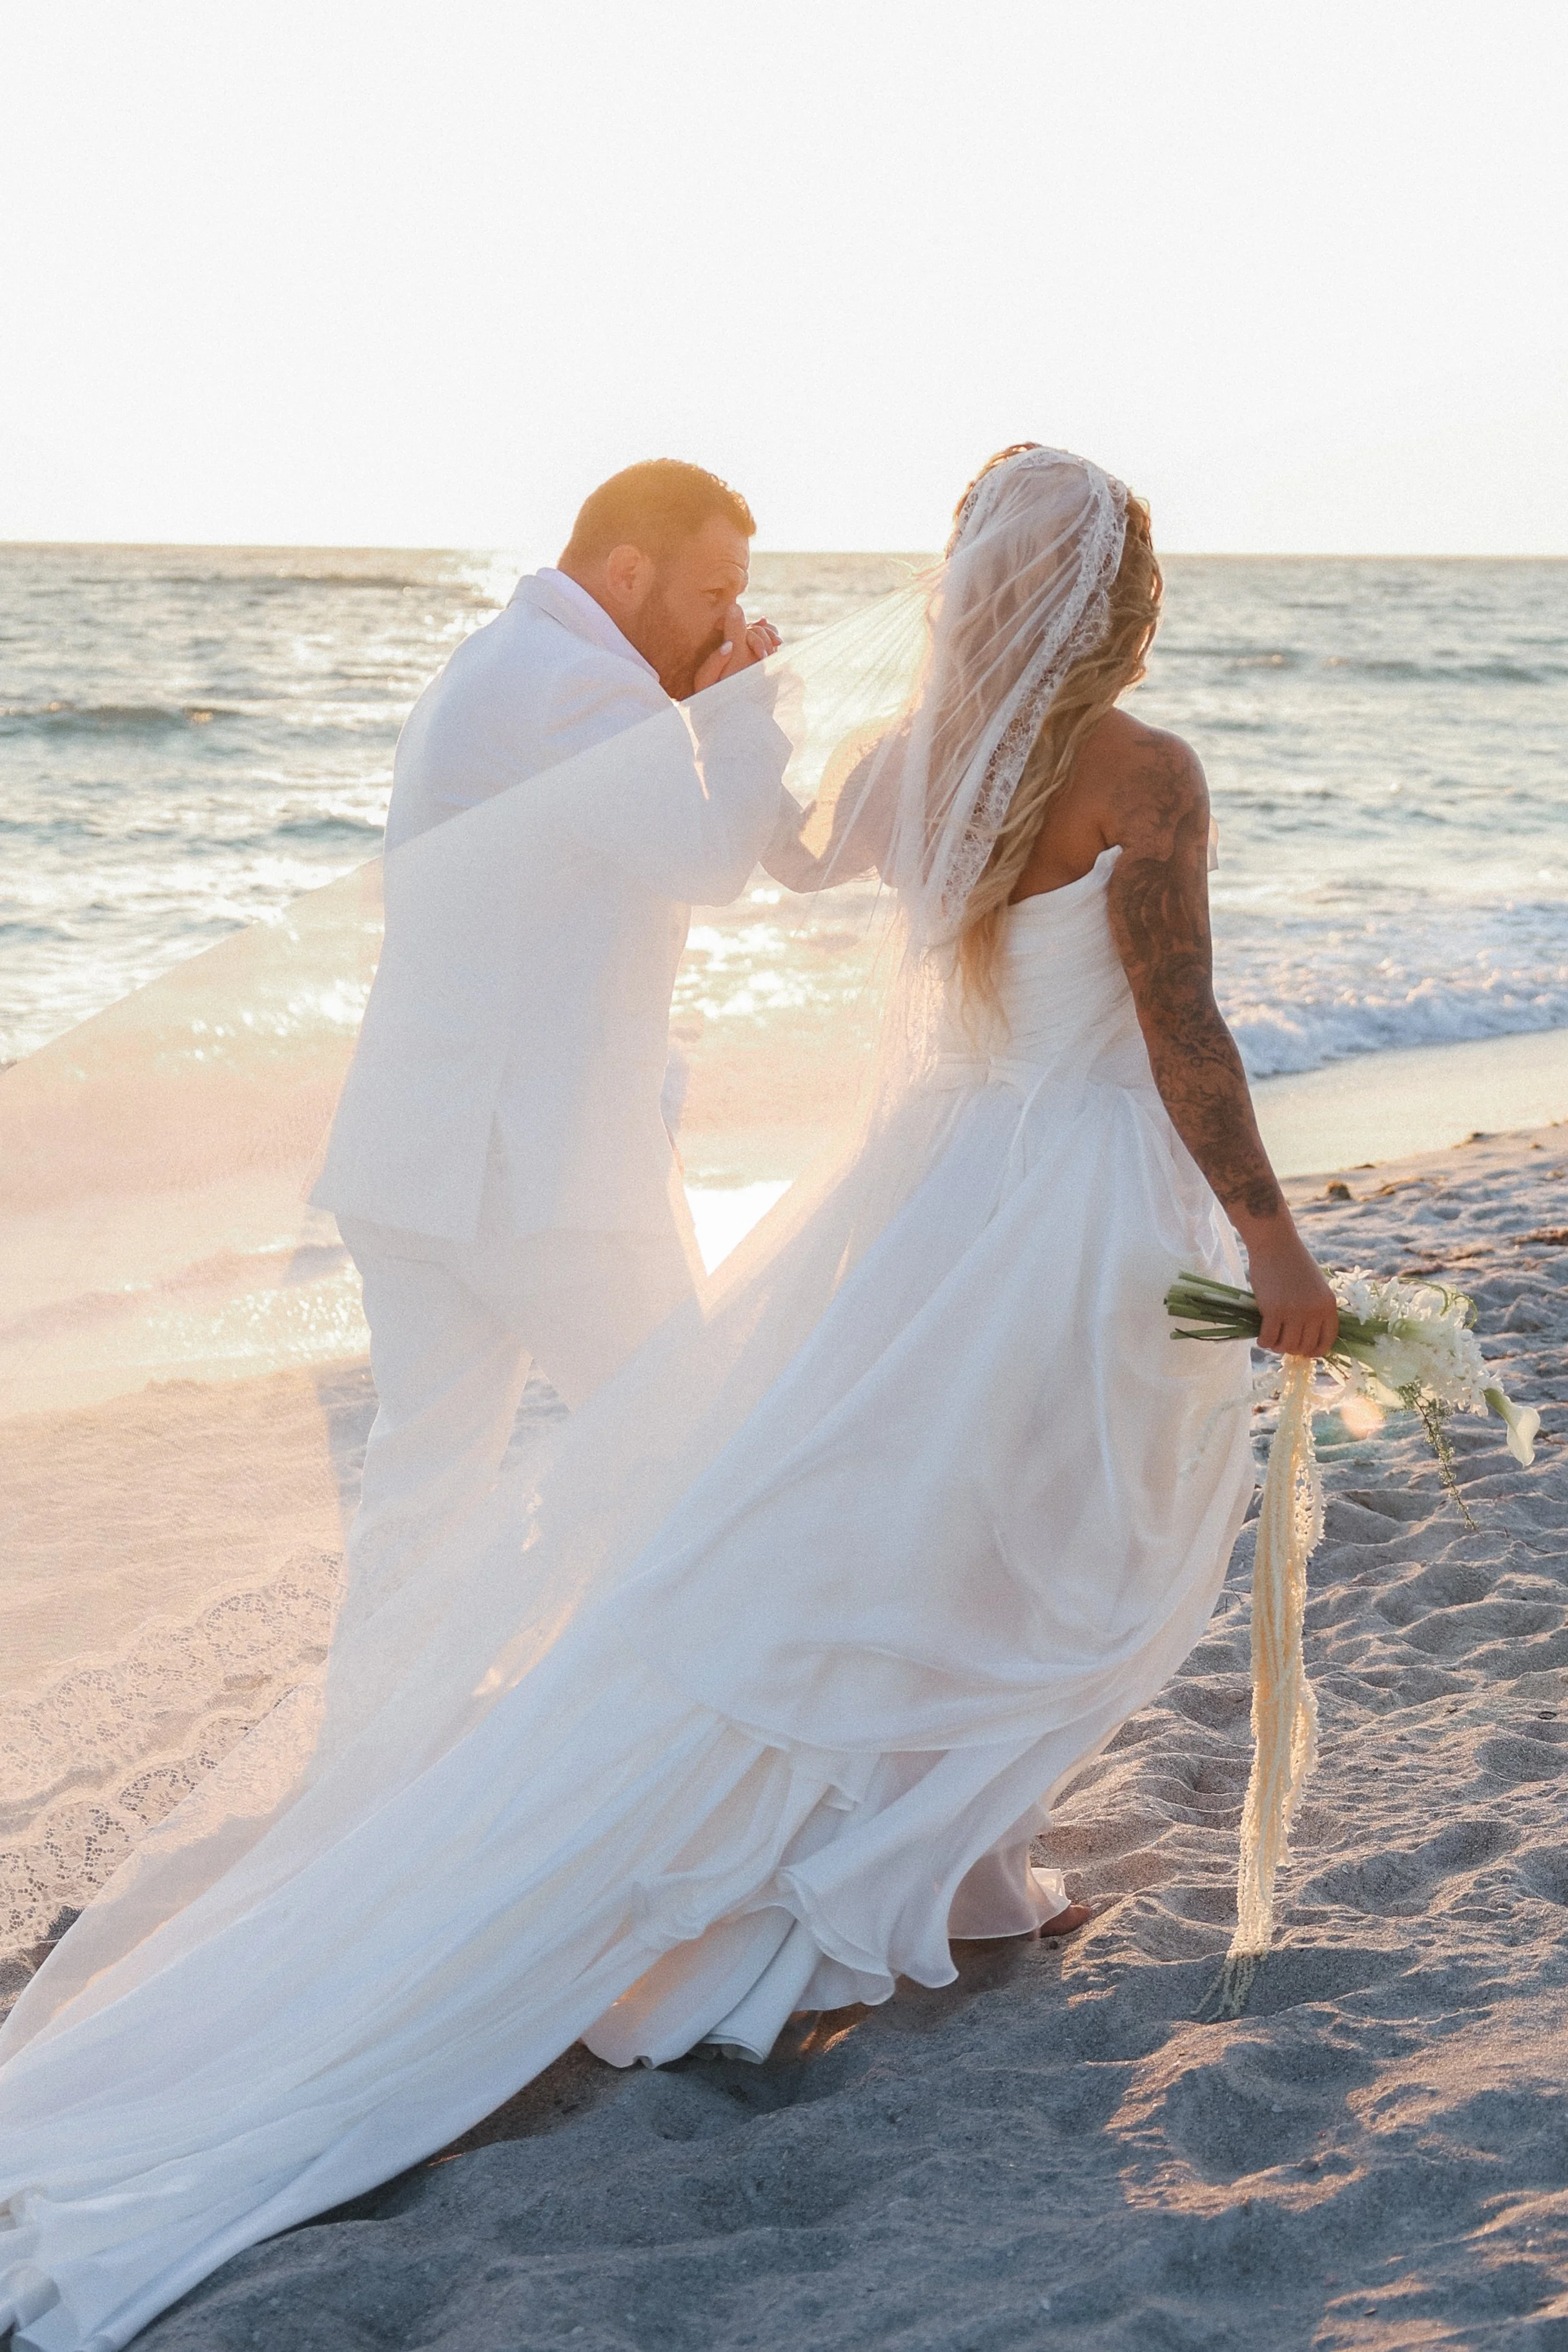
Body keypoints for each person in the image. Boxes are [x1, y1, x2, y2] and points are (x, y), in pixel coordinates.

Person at [0, 447, 1336, 2352]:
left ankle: (948, 1862)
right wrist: (1276, 1243)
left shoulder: (908, 755)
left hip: (925, 1188)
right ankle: (888, 1873)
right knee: (1022, 1526)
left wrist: (736, 715)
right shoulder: (1141, 774)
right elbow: (1183, 1028)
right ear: (1116, 600)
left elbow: (774, 863)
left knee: (874, 1525)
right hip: (1062, 1201)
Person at [312, 459, 788, 1600]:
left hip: (416, 1166)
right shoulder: (584, 685)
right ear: (628, 571)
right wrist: (744, 715)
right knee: (698, 1461)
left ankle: (376, 1769)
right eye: (715, 592)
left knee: (420, 1501)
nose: (734, 621)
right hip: (537, 1180)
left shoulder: (491, 662)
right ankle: (656, 1757)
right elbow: (713, 857)